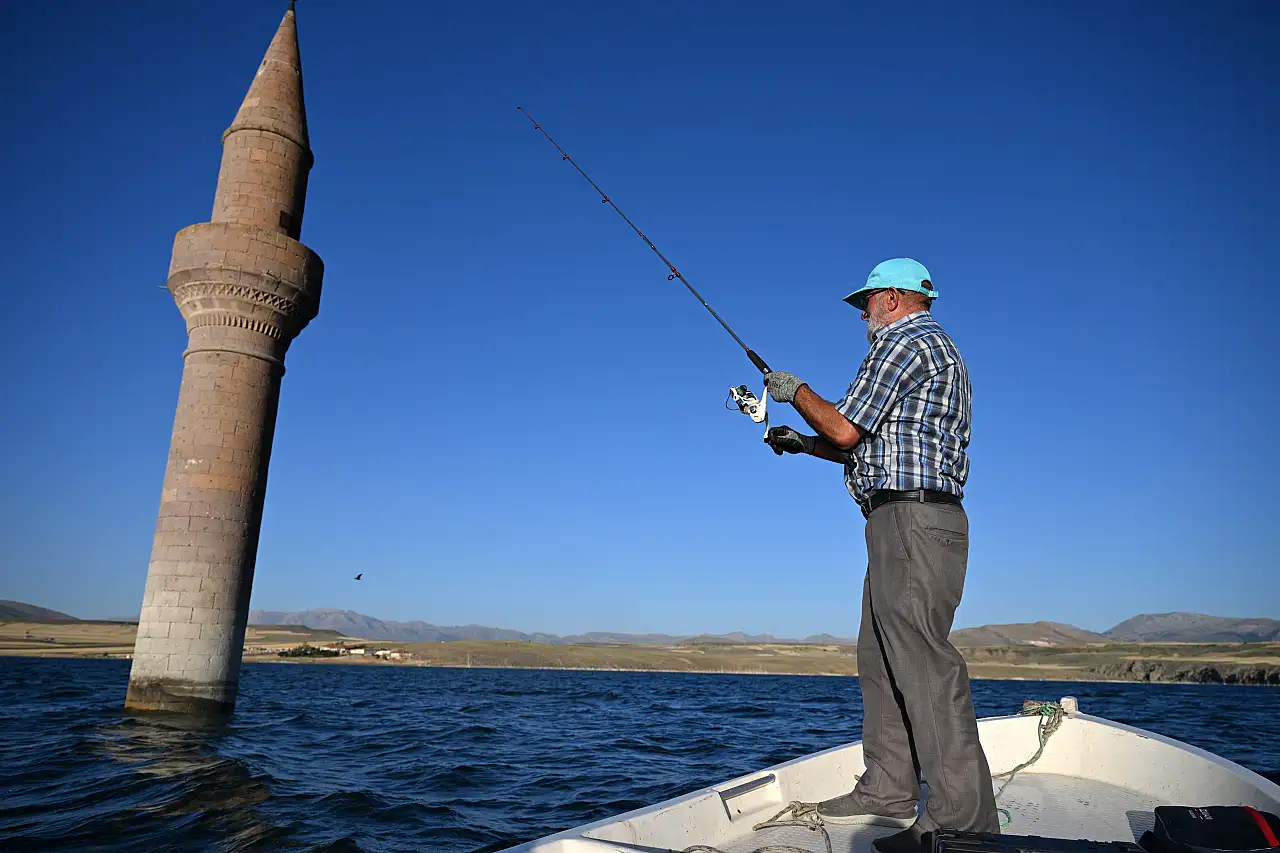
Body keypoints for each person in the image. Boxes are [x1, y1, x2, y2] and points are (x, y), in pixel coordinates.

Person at [762, 258, 998, 853]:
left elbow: (845, 429)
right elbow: (859, 443)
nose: (862, 314)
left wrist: (796, 393)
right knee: (881, 657)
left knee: (921, 660)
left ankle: (960, 822)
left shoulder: (906, 341)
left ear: (892, 298)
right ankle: (889, 789)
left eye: (865, 302)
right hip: (899, 521)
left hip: (913, 520)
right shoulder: (925, 347)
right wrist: (800, 443)